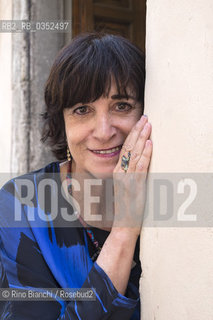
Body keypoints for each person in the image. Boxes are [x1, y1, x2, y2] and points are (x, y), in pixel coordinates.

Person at [0, 32, 152, 319]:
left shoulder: (167, 197)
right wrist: (124, 230)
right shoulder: (20, 206)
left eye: (122, 106)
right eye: (83, 110)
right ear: (61, 122)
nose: (104, 131)